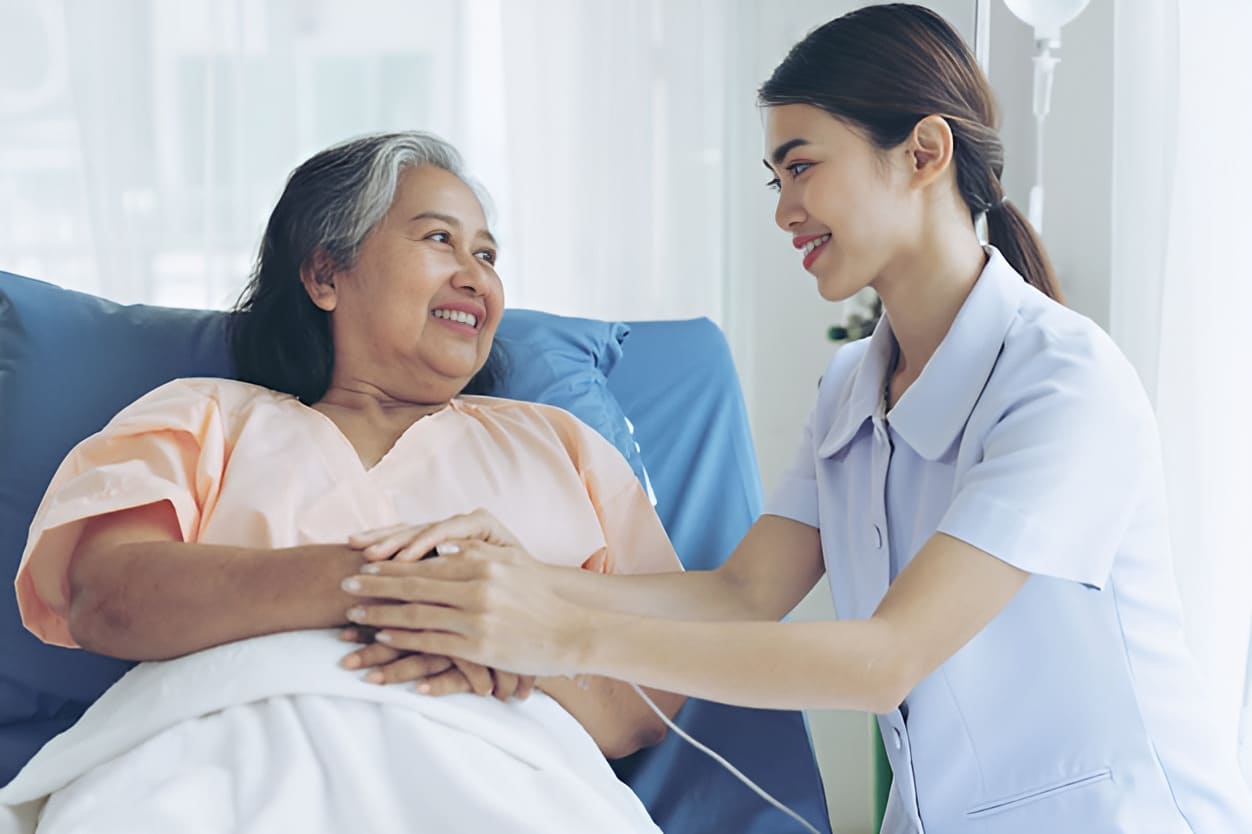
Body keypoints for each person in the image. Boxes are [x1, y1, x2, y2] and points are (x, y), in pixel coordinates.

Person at [327, 6, 1252, 834]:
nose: (785, 211)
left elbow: (887, 658)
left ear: (924, 153)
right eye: (775, 179)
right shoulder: (853, 384)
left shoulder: (1062, 382)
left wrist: (559, 635)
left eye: (802, 166)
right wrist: (524, 580)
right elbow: (740, 594)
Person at [5, 131, 683, 834]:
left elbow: (650, 699)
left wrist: (512, 639)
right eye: (439, 240)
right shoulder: (204, 417)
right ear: (326, 274)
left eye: (486, 255)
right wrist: (397, 589)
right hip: (218, 768)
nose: (476, 277)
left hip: (502, 785)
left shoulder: (559, 446)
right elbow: (108, 597)